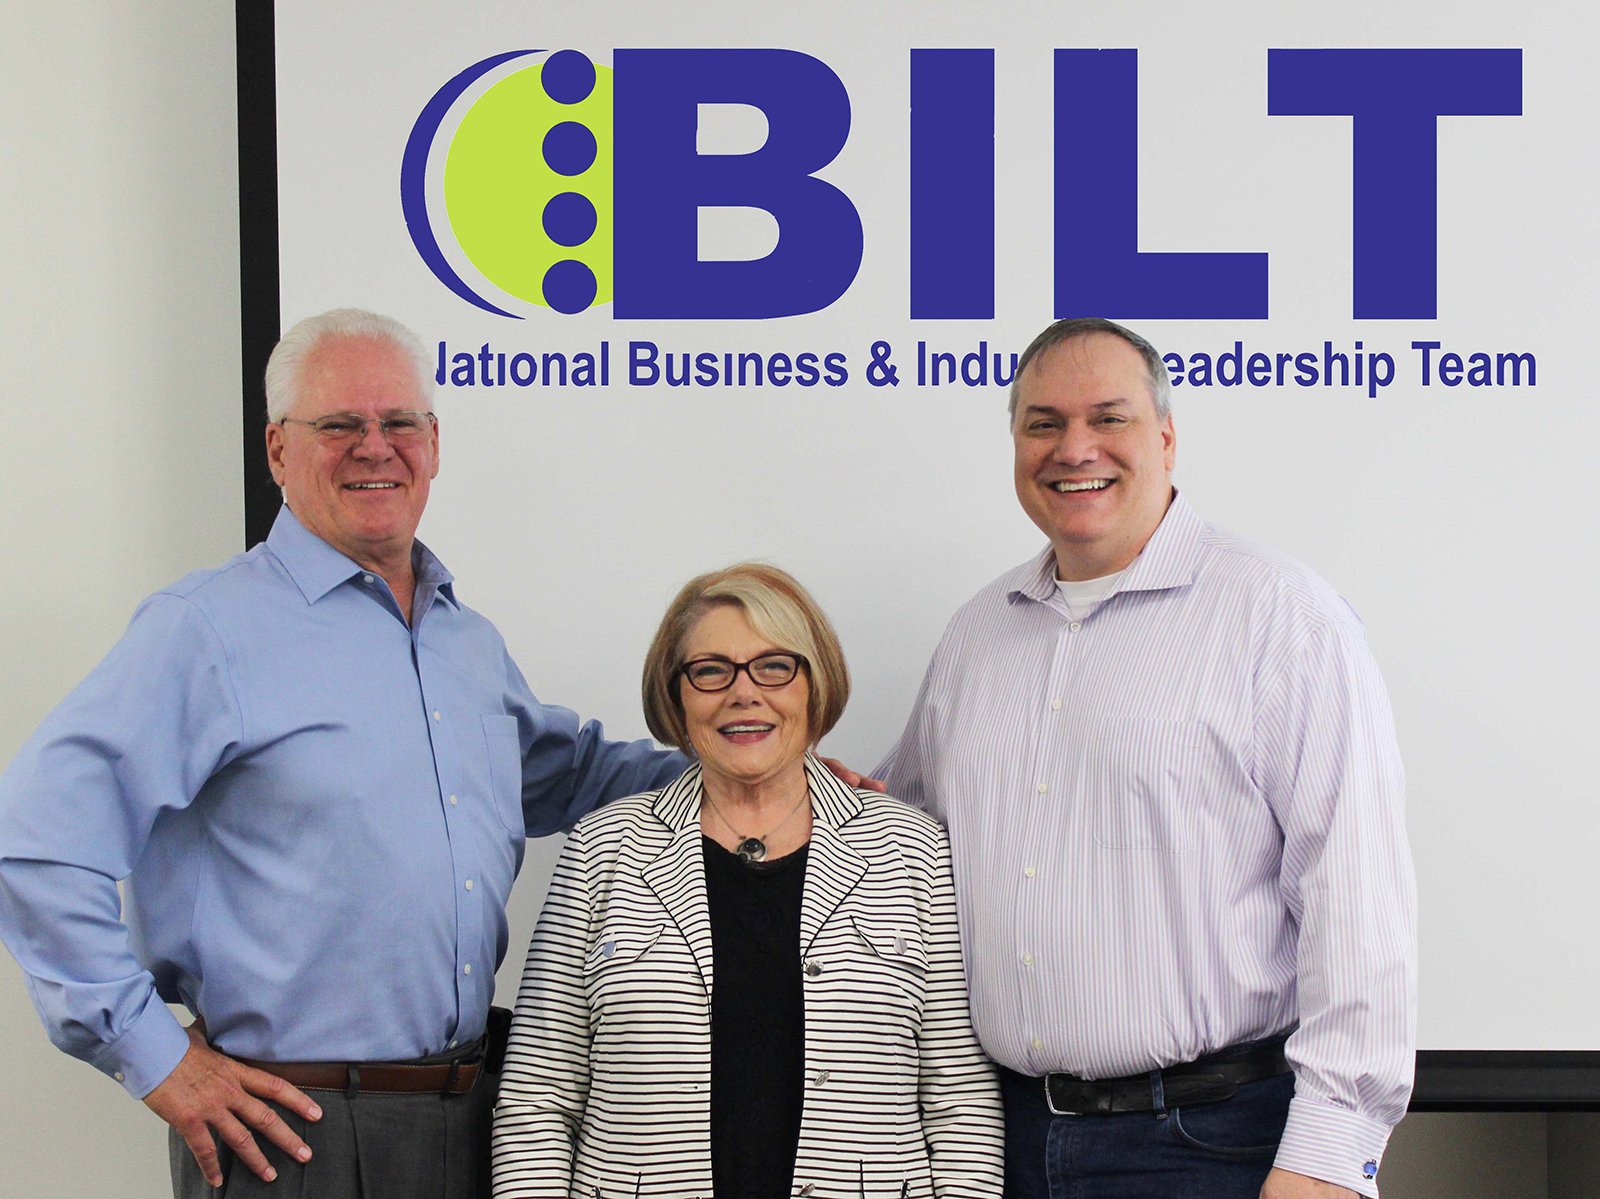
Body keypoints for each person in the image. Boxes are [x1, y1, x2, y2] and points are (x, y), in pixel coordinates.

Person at [0, 308, 686, 1199]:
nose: (375, 447)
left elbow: (576, 773)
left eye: (399, 422)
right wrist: (154, 1055)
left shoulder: (464, 642)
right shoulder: (206, 631)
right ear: (279, 450)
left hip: (476, 1116)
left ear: (433, 444)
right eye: (339, 425)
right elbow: (39, 833)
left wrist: (771, 772)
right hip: (295, 1136)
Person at [878, 318, 1416, 1199]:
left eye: (1109, 417)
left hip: (1211, 1146)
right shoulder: (978, 635)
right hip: (998, 1143)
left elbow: (1355, 896)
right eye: (1042, 422)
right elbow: (900, 839)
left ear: (1166, 437)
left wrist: (1330, 1158)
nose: (1073, 447)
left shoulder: (1279, 616)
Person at [492, 563, 1004, 1199]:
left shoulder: (912, 850)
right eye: (711, 671)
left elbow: (961, 1107)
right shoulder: (602, 850)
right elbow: (538, 1102)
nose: (744, 693)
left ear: (815, 685)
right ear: (675, 695)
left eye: (774, 666)